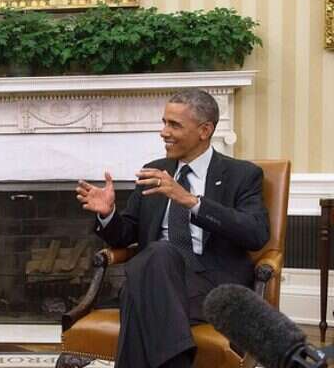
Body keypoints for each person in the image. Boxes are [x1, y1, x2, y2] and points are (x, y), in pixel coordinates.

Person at [76, 88, 269, 368]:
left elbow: (256, 233)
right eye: (164, 122)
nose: (164, 132)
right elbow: (126, 234)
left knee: (139, 289)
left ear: (204, 130)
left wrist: (191, 202)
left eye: (174, 125)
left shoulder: (242, 174)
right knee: (160, 255)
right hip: (159, 275)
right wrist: (108, 214)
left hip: (211, 283)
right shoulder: (154, 170)